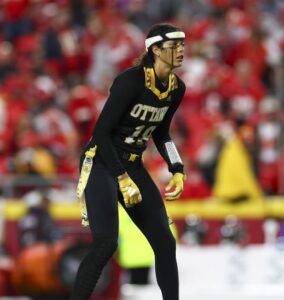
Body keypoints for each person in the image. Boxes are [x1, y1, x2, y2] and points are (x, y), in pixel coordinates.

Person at [72, 23, 187, 300]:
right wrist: (122, 178)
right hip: (102, 162)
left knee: (164, 242)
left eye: (182, 45)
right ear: (156, 50)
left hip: (133, 164)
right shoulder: (131, 81)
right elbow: (100, 133)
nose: (182, 50)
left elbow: (161, 132)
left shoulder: (176, 88)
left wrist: (177, 169)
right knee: (106, 243)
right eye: (174, 46)